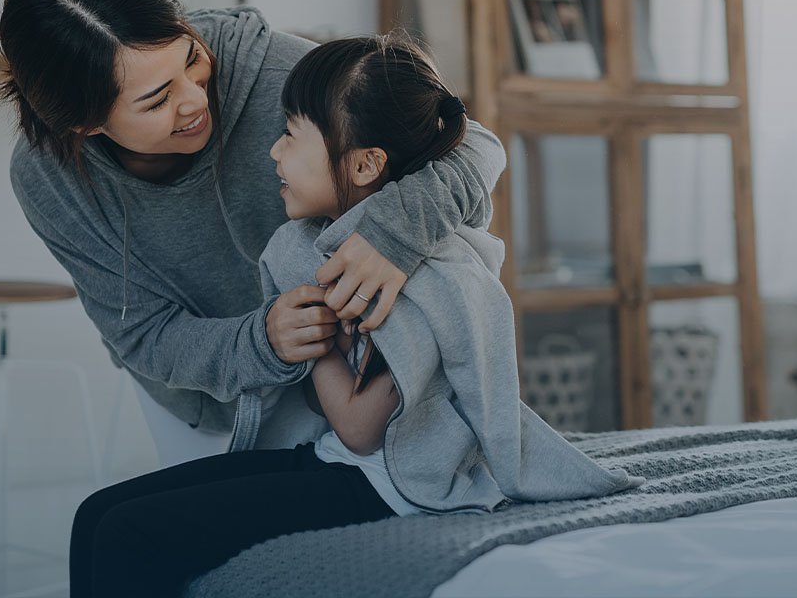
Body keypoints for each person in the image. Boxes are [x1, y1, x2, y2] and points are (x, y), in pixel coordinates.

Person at [68, 35, 639, 597]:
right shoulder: (324, 247)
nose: (273, 152)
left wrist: (314, 345)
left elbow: (363, 429)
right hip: (340, 462)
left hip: (390, 484)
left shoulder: (415, 278)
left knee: (126, 533)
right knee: (96, 514)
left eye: (290, 135)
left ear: (366, 163)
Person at [0, 0, 506, 467]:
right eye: (156, 100)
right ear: (84, 123)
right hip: (202, 403)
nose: (194, 99)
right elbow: (143, 334)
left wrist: (393, 235)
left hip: (345, 379)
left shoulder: (280, 70)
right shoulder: (47, 179)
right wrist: (261, 341)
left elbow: (474, 145)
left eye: (191, 58)